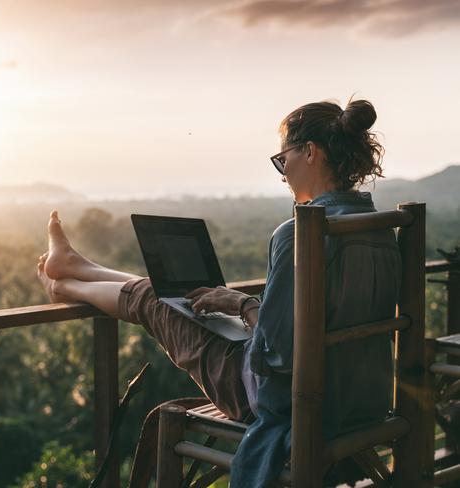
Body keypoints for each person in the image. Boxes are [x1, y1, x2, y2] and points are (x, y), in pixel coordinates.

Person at [37, 98, 401, 487]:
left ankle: (62, 284)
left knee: (156, 300)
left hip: (291, 402)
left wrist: (245, 308)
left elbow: (275, 355)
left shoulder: (301, 233)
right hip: (363, 399)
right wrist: (241, 310)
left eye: (283, 160)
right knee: (173, 295)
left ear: (310, 152)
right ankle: (77, 267)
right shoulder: (380, 226)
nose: (283, 175)